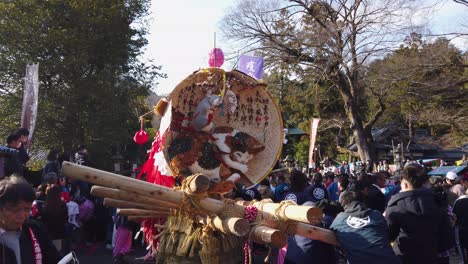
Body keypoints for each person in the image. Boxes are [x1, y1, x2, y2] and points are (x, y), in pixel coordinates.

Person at [385, 164, 453, 264]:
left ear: (405, 184)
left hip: (404, 256)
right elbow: (446, 236)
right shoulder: (438, 202)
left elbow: (388, 235)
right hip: (432, 255)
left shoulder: (395, 207)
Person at [0, 175, 59, 263]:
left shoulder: (36, 230)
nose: (21, 216)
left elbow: (55, 259)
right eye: (14, 209)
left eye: (27, 209)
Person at [330, 190, 400, 264]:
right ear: (362, 201)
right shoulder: (377, 214)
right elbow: (386, 236)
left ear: (342, 204)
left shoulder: (339, 220)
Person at [40, 185, 68, 254]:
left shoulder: (44, 206)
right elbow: (65, 218)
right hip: (58, 232)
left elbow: (43, 220)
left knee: (47, 252)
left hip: (47, 232)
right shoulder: (63, 205)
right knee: (56, 252)